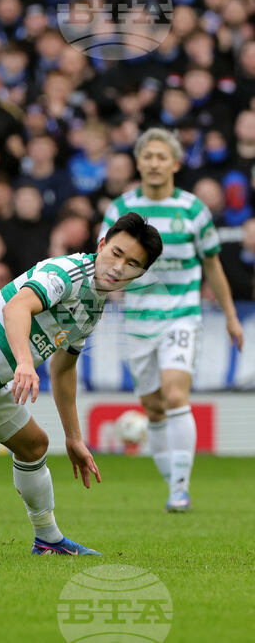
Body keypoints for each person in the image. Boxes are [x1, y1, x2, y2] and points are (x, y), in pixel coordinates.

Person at [0, 212, 164, 557]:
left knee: (34, 446)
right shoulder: (66, 272)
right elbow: (16, 308)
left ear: (140, 274)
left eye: (132, 264)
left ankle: (48, 539)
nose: (118, 267)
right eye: (116, 253)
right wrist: (24, 362)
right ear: (101, 245)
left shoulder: (94, 308)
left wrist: (74, 437)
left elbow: (64, 369)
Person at [98, 128, 244, 513]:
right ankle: (173, 484)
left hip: (182, 316)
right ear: (138, 162)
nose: (154, 163)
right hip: (137, 321)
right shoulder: (120, 210)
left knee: (176, 395)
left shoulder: (193, 210)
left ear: (175, 163)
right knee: (153, 407)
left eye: (162, 156)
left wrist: (231, 317)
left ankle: (180, 489)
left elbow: (212, 265)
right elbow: (105, 262)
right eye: (148, 156)